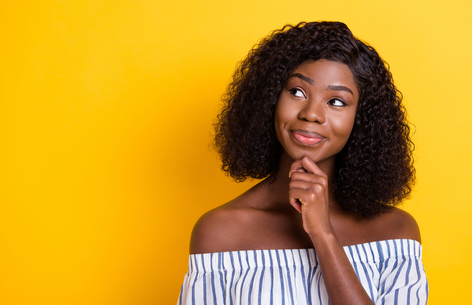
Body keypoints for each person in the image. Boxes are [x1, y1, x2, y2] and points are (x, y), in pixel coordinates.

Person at [178, 21, 428, 304]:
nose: (311, 114)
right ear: (270, 98)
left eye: (336, 102)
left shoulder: (396, 233)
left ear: (361, 120)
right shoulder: (221, 232)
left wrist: (323, 234)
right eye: (297, 92)